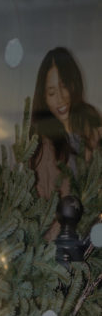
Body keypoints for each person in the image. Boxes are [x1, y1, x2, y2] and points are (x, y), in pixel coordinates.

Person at [30, 46, 102, 204]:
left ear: (74, 84)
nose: (60, 98)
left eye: (64, 87)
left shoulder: (92, 125)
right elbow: (41, 209)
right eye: (51, 92)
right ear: (44, 98)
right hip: (64, 227)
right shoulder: (42, 146)